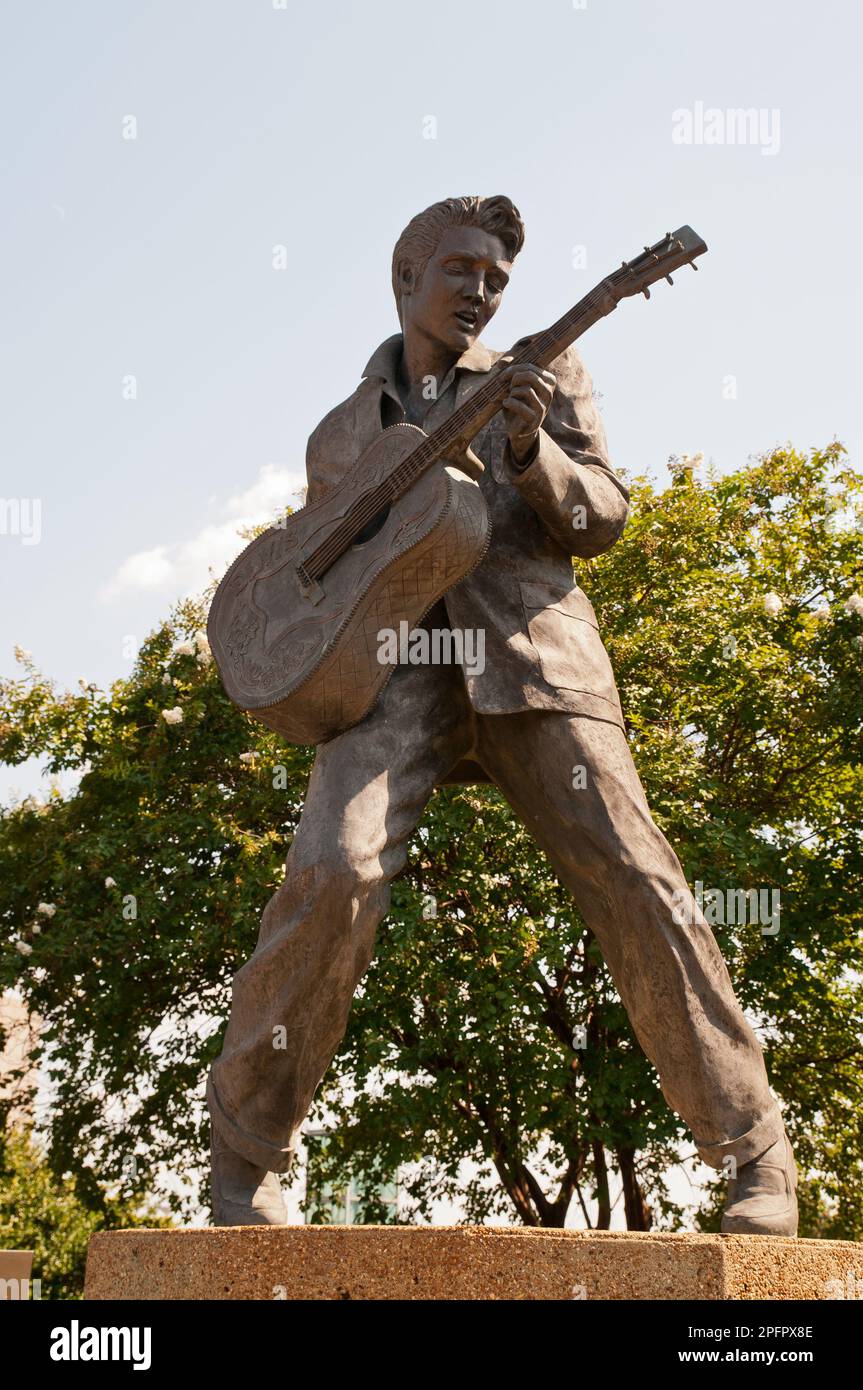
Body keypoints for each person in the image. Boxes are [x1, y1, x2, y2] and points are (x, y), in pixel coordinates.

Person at [207, 195, 797, 1235]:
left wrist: (532, 454)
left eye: (495, 278)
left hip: (531, 654)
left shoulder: (544, 373)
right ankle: (245, 1156)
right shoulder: (341, 434)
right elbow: (321, 581)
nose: (479, 290)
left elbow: (600, 516)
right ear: (405, 276)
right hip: (395, 675)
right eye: (460, 269)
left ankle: (754, 1157)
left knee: (635, 879)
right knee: (330, 870)